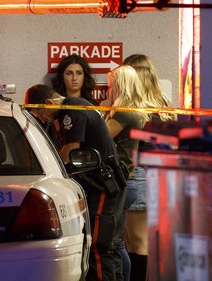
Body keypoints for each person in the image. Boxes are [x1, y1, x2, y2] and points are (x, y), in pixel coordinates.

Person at [25, 84, 126, 281]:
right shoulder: (74, 108)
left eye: (41, 113)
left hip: (103, 185)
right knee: (109, 247)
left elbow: (69, 152)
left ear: (47, 103)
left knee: (98, 247)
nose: (43, 118)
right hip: (103, 182)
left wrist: (46, 173)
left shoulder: (72, 111)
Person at [122, 55, 176, 281]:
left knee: (136, 241)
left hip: (139, 173)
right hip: (158, 174)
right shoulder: (163, 103)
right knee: (139, 241)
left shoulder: (136, 106)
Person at [101, 65, 153, 281]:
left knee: (126, 242)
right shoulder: (133, 111)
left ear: (120, 85)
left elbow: (102, 137)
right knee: (128, 242)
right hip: (129, 178)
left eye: (111, 85)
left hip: (127, 179)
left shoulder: (125, 112)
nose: (108, 89)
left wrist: (103, 109)